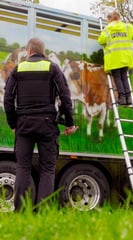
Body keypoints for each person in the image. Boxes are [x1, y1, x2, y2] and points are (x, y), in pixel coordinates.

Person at [3, 38, 77, 211]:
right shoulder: (52, 68)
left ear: (29, 51)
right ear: (42, 51)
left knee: (22, 167)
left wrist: (13, 124)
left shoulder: (18, 69)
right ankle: (43, 212)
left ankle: (20, 211)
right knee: (47, 169)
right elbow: (65, 97)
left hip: (24, 124)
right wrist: (69, 123)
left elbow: (7, 100)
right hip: (47, 125)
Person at [98, 11, 133, 105]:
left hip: (114, 59)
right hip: (125, 58)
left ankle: (122, 98)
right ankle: (128, 98)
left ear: (110, 19)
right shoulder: (127, 27)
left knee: (117, 78)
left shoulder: (108, 29)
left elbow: (101, 41)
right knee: (124, 77)